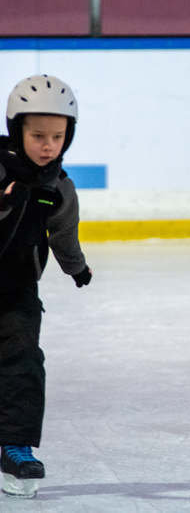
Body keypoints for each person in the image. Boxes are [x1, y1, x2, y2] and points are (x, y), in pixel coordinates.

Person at [0, 75, 92, 499]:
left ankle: (15, 447)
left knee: (23, 362)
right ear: (17, 130)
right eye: (37, 135)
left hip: (17, 287)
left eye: (57, 136)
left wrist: (76, 267)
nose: (47, 145)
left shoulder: (59, 186)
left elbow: (64, 232)